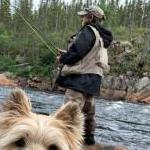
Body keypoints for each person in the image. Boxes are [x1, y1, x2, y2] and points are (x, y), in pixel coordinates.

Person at [56, 6, 113, 145]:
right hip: (94, 78)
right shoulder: (101, 36)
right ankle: (88, 139)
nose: (82, 18)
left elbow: (77, 52)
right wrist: (66, 53)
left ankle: (64, 140)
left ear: (91, 17)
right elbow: (89, 54)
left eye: (84, 16)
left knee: (70, 109)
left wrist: (62, 58)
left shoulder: (88, 31)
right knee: (88, 109)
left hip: (81, 77)